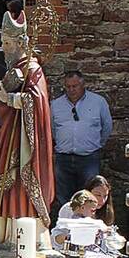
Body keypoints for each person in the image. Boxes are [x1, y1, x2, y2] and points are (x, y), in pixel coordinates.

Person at [0, 10, 54, 257]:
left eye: (7, 43)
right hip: (5, 137)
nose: (3, 48)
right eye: (3, 42)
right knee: (1, 184)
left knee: (18, 185)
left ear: (20, 43)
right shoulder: (14, 70)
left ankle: (20, 238)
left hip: (23, 142)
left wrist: (14, 99)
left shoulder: (32, 69)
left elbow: (38, 103)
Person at [50, 69, 113, 215]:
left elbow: (107, 127)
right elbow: (52, 129)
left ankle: (88, 227)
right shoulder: (56, 105)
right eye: (68, 87)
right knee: (64, 197)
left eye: (75, 86)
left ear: (83, 84)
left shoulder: (98, 102)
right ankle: (66, 227)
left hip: (89, 157)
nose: (71, 90)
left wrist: (96, 144)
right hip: (63, 157)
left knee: (90, 196)